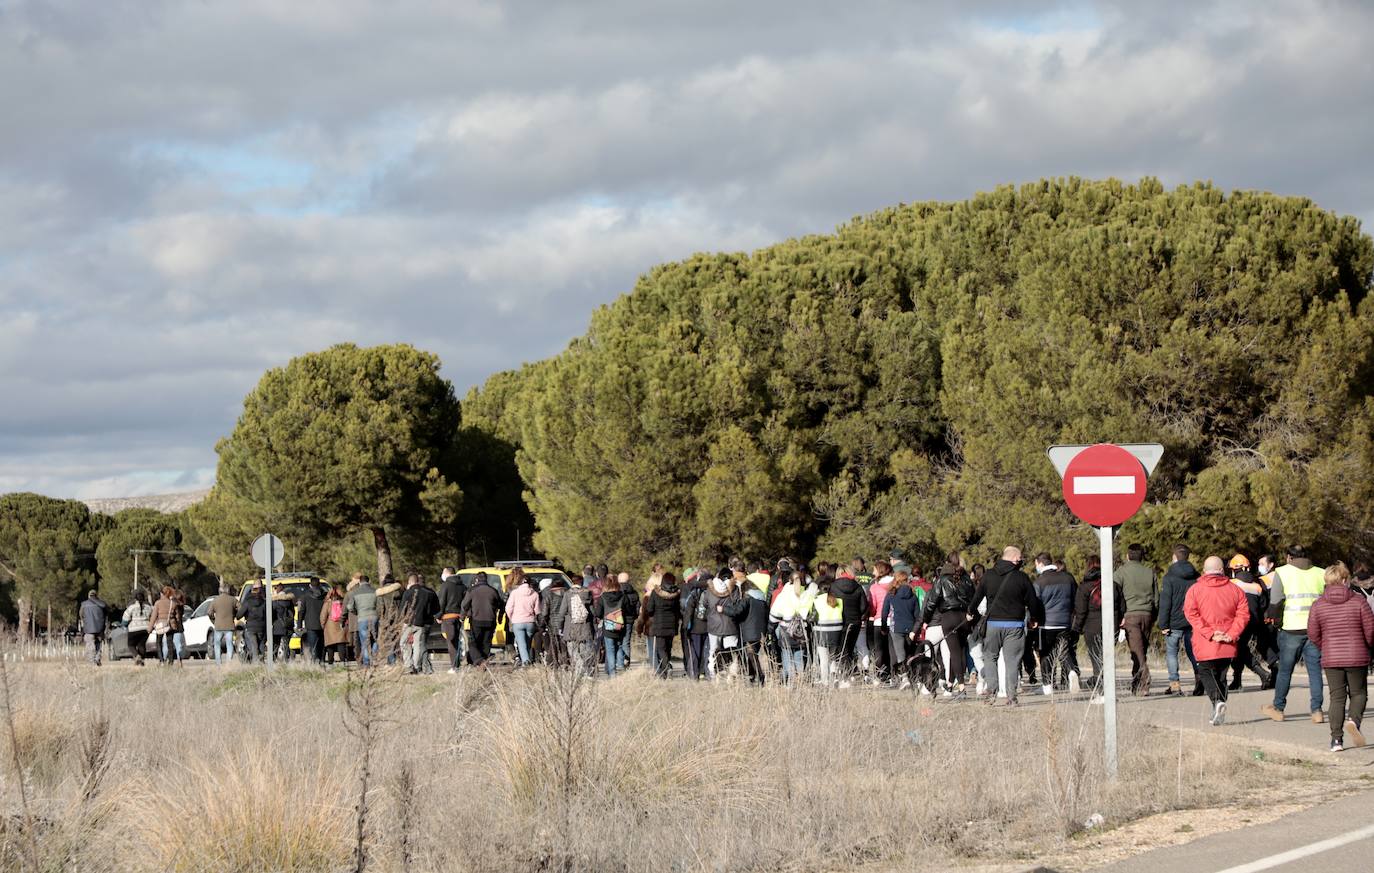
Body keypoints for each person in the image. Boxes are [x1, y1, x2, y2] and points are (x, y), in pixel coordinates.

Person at [1308, 563, 1374, 751]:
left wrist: (1325, 647)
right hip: (1357, 655)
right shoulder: (1358, 601)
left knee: (1336, 698)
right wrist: (1367, 646)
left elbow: (1313, 633)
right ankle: (1354, 720)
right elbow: (1370, 629)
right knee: (1359, 693)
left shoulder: (1318, 604)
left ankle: (1336, 740)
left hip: (1331, 656)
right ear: (1345, 580)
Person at [969, 546, 1044, 706]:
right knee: (1012, 661)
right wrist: (1034, 618)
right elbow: (1032, 600)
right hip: (1015, 625)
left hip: (993, 624)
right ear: (1015, 559)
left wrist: (970, 611)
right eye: (1020, 559)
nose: (1021, 562)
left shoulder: (988, 576)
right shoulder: (1022, 577)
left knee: (990, 657)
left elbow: (977, 597)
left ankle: (991, 692)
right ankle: (1011, 697)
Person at [1261, 545, 1328, 724]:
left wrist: (1276, 622)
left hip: (1291, 628)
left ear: (1289, 557)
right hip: (1315, 629)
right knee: (1314, 671)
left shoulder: (1282, 572)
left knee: (1285, 671)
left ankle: (1278, 708)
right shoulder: (1320, 573)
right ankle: (1317, 710)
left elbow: (1275, 603)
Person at [1183, 556, 1250, 726]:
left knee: (1206, 671)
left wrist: (1210, 633)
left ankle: (1217, 701)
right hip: (1228, 641)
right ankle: (1218, 707)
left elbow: (1191, 614)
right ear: (1222, 570)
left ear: (1205, 571)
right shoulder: (1235, 590)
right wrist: (1232, 634)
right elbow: (1243, 614)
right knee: (1221, 675)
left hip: (1205, 641)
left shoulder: (1195, 590)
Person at [1070, 555, 1125, 693]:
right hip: (1112, 626)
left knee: (1096, 658)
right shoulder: (1113, 585)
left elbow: (1080, 612)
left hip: (1091, 627)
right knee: (1107, 658)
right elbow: (1122, 607)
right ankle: (1105, 688)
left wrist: (1076, 630)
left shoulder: (1084, 587)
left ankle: (1102, 691)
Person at [921, 556, 971, 691]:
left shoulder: (941, 580)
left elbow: (931, 603)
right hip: (964, 617)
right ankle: (950, 682)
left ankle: (961, 685)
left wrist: (925, 620)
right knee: (961, 650)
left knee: (954, 652)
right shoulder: (966, 580)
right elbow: (974, 598)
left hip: (949, 617)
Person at [1158, 545, 1201, 696]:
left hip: (1174, 622)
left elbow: (1165, 602)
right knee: (1194, 652)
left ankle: (1175, 685)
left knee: (1171, 653)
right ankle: (1200, 679)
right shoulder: (1196, 577)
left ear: (1174, 558)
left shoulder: (1169, 577)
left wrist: (1163, 624)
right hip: (1192, 621)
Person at [1227, 555, 1274, 690]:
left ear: (1234, 570)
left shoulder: (1232, 584)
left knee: (1240, 649)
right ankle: (1237, 680)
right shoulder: (1257, 586)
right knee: (1240, 649)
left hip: (1238, 622)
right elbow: (1263, 605)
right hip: (1254, 622)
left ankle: (1262, 673)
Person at [1117, 543, 1158, 696]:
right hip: (1147, 614)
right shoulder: (1150, 572)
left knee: (1137, 652)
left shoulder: (1121, 572)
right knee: (1141, 651)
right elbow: (1156, 598)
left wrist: (1118, 616)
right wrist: (1154, 616)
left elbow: (1115, 594)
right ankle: (1136, 684)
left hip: (1130, 615)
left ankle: (1145, 681)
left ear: (1128, 556)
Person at [1032, 553, 1077, 694]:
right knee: (1064, 650)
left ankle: (1047, 685)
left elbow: (1035, 604)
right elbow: (1076, 599)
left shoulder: (1039, 582)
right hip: (1065, 622)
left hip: (1046, 623)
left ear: (1040, 563)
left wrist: (1034, 619)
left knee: (1045, 653)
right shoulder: (1068, 578)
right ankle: (1071, 672)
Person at [703, 565, 747, 679]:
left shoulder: (709, 590)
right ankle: (731, 676)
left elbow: (704, 604)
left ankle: (713, 675)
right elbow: (738, 606)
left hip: (714, 626)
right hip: (730, 626)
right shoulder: (735, 589)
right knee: (732, 652)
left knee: (713, 651)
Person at [770, 571, 814, 684]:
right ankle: (801, 683)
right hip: (801, 630)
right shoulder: (808, 594)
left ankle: (790, 684)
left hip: (786, 630)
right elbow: (811, 614)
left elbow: (774, 615)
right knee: (799, 658)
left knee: (787, 657)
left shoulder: (783, 595)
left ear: (789, 580)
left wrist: (771, 625)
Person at [830, 565, 870, 687]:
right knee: (850, 649)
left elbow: (830, 603)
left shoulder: (833, 586)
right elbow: (864, 606)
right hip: (855, 622)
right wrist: (859, 616)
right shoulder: (857, 587)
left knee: (841, 649)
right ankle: (849, 674)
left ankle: (843, 676)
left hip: (840, 621)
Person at [884, 571, 924, 690]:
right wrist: (915, 629)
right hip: (911, 627)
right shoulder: (913, 595)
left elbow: (884, 612)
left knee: (899, 653)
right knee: (910, 654)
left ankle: (905, 678)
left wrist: (882, 626)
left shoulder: (891, 594)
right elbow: (918, 614)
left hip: (896, 627)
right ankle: (914, 678)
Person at [641, 571, 682, 678]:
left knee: (660, 648)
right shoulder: (677, 593)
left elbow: (650, 609)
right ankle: (665, 672)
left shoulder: (656, 592)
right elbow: (678, 609)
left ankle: (667, 667)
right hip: (672, 625)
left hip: (659, 625)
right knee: (668, 648)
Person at [461, 571, 505, 668]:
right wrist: (500, 618)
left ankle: (479, 661)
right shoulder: (493, 590)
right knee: (486, 643)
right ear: (486, 579)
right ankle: (483, 662)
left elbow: (465, 605)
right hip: (491, 620)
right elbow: (501, 605)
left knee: (473, 642)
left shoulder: (472, 590)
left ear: (477, 579)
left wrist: (462, 617)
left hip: (476, 620)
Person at [400, 574, 440, 675]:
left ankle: (408, 665)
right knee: (418, 645)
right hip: (422, 623)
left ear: (410, 582)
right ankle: (416, 665)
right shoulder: (428, 593)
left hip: (409, 622)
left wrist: (402, 621)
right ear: (418, 581)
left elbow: (402, 609)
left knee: (404, 643)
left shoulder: (407, 593)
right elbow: (435, 609)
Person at [556, 579, 596, 675]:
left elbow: (562, 612)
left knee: (573, 651)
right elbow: (592, 612)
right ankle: (586, 671)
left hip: (571, 627)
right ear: (581, 583)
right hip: (585, 626)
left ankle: (579, 670)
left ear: (572, 583)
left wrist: (559, 626)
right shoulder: (587, 594)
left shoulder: (567, 594)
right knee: (584, 651)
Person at [595, 573, 632, 676]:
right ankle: (621, 668)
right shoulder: (623, 596)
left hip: (608, 627)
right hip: (620, 627)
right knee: (619, 646)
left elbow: (598, 613)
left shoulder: (602, 597)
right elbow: (629, 611)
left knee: (610, 650)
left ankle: (612, 674)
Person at [681, 569, 712, 680]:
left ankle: (694, 674)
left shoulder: (695, 592)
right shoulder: (713, 591)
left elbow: (688, 611)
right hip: (709, 627)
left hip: (695, 627)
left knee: (695, 651)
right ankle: (705, 673)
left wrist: (686, 627)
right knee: (707, 652)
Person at [865, 565, 894, 686]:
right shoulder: (894, 585)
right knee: (892, 650)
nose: (873, 572)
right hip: (893, 620)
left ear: (880, 571)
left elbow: (873, 605)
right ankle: (893, 674)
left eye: (874, 569)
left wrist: (871, 615)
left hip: (878, 620)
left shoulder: (875, 587)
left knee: (879, 650)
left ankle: (881, 674)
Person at [505, 571, 540, 667]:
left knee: (521, 644)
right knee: (527, 644)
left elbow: (508, 608)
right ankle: (525, 659)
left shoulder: (514, 593)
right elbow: (537, 610)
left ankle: (525, 662)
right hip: (530, 622)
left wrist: (511, 618)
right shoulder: (535, 594)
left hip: (518, 622)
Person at [738, 579, 769, 685]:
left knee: (752, 654)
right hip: (761, 631)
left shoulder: (747, 600)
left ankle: (760, 676)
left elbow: (738, 611)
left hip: (750, 631)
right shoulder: (762, 599)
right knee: (753, 654)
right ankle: (751, 676)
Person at [345, 573, 379, 666]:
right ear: (369, 581)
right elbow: (379, 605)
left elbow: (349, 607)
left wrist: (356, 612)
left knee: (364, 641)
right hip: (374, 617)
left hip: (362, 618)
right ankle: (375, 657)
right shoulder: (375, 591)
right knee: (375, 639)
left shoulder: (355, 592)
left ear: (360, 582)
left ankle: (367, 662)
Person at [437, 568, 468, 673]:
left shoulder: (445, 586)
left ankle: (454, 667)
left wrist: (438, 616)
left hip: (447, 617)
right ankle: (456, 665)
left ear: (447, 573)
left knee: (451, 642)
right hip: (458, 617)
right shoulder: (462, 586)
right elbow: (465, 602)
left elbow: (441, 601)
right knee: (457, 641)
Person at [538, 574, 569, 668]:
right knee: (564, 645)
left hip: (553, 624)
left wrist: (542, 625)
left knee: (554, 645)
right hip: (566, 623)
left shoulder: (549, 596)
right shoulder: (568, 594)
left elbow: (544, 613)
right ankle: (566, 663)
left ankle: (554, 664)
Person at [150, 585, 185, 665]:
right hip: (170, 625)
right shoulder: (173, 603)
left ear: (162, 594)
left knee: (159, 642)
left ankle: (161, 660)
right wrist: (177, 625)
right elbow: (177, 616)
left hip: (160, 625)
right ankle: (171, 661)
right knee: (170, 643)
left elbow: (154, 616)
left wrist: (150, 628)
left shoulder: (158, 603)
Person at [206, 583, 237, 666]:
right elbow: (240, 608)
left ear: (220, 590)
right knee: (229, 644)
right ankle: (229, 663)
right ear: (228, 590)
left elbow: (209, 612)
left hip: (218, 626)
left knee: (217, 645)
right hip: (229, 625)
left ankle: (218, 663)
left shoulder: (215, 600)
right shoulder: (233, 599)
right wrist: (234, 615)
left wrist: (213, 620)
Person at [299, 577, 328, 664]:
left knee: (313, 645)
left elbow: (302, 611)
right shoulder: (325, 595)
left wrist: (299, 624)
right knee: (322, 644)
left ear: (310, 585)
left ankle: (314, 661)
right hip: (323, 623)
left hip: (310, 623)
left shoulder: (305, 595)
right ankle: (321, 660)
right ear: (319, 584)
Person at [236, 582, 267, 662]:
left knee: (253, 645)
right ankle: (261, 661)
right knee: (261, 644)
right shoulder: (264, 601)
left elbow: (239, 615)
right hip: (262, 626)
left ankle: (255, 662)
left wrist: (238, 615)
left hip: (251, 627)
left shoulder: (247, 602)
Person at [320, 582, 349, 665]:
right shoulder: (343, 602)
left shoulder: (327, 604)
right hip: (341, 625)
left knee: (330, 644)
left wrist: (323, 625)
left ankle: (330, 661)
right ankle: (343, 660)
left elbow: (323, 616)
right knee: (341, 644)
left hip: (330, 626)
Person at [122, 590, 153, 666]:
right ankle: (141, 661)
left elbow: (125, 619)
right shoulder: (149, 607)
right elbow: (152, 617)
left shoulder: (131, 607)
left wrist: (124, 625)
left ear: (135, 598)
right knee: (141, 645)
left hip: (133, 629)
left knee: (131, 645)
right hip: (145, 629)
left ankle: (137, 656)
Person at [79, 589, 107, 666]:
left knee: (90, 645)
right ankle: (97, 659)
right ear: (96, 595)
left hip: (88, 629)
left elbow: (81, 615)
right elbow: (106, 615)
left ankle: (91, 662)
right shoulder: (102, 604)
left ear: (89, 596)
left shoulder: (84, 604)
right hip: (100, 628)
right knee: (98, 644)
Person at [271, 581, 297, 662]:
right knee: (286, 644)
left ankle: (273, 660)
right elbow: (293, 612)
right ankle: (286, 659)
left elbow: (272, 614)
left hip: (277, 626)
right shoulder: (289, 601)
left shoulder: (274, 602)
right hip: (287, 626)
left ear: (277, 590)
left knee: (275, 644)